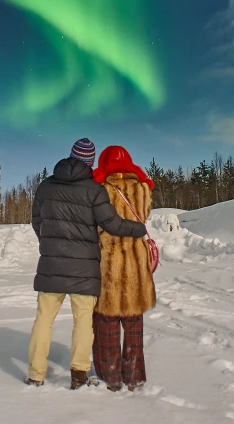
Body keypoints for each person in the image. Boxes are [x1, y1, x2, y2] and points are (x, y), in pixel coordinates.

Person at [26, 138, 148, 390]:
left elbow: (36, 221)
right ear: (90, 162)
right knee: (82, 320)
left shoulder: (46, 186)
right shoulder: (93, 189)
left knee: (43, 320)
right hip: (85, 269)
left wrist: (48, 243)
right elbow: (112, 224)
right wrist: (139, 229)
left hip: (51, 266)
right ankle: (79, 374)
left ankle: (36, 374)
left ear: (70, 156)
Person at [90, 145, 156, 392]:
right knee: (133, 323)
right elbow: (144, 214)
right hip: (136, 263)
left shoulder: (98, 189)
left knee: (105, 321)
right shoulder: (142, 188)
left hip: (107, 262)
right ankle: (134, 376)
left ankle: (110, 378)